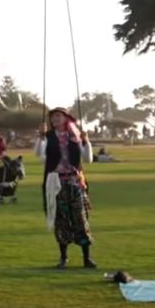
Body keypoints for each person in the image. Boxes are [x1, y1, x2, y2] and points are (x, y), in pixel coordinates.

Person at [42, 108, 96, 269]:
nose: (55, 119)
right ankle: (63, 258)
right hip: (57, 184)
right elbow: (40, 155)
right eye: (53, 117)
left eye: (58, 116)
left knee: (81, 220)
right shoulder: (49, 138)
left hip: (75, 184)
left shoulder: (75, 137)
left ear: (66, 119)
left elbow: (88, 159)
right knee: (61, 221)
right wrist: (41, 138)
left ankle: (87, 258)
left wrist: (86, 142)